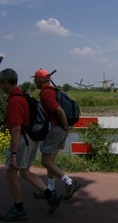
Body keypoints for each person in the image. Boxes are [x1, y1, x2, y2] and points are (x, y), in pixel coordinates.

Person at [0, 68, 63, 221]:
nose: (0, 87)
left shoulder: (14, 101)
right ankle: (51, 195)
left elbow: (15, 129)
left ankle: (19, 208)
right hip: (32, 139)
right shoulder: (24, 96)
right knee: (25, 172)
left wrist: (13, 154)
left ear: (6, 82)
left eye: (1, 84)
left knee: (10, 175)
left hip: (22, 140)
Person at [31, 68, 81, 200]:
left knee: (45, 161)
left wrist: (64, 125)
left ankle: (70, 182)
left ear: (40, 80)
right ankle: (50, 189)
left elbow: (58, 110)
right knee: (51, 161)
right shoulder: (54, 91)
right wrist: (66, 127)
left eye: (35, 79)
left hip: (55, 129)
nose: (34, 81)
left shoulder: (46, 93)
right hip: (61, 129)